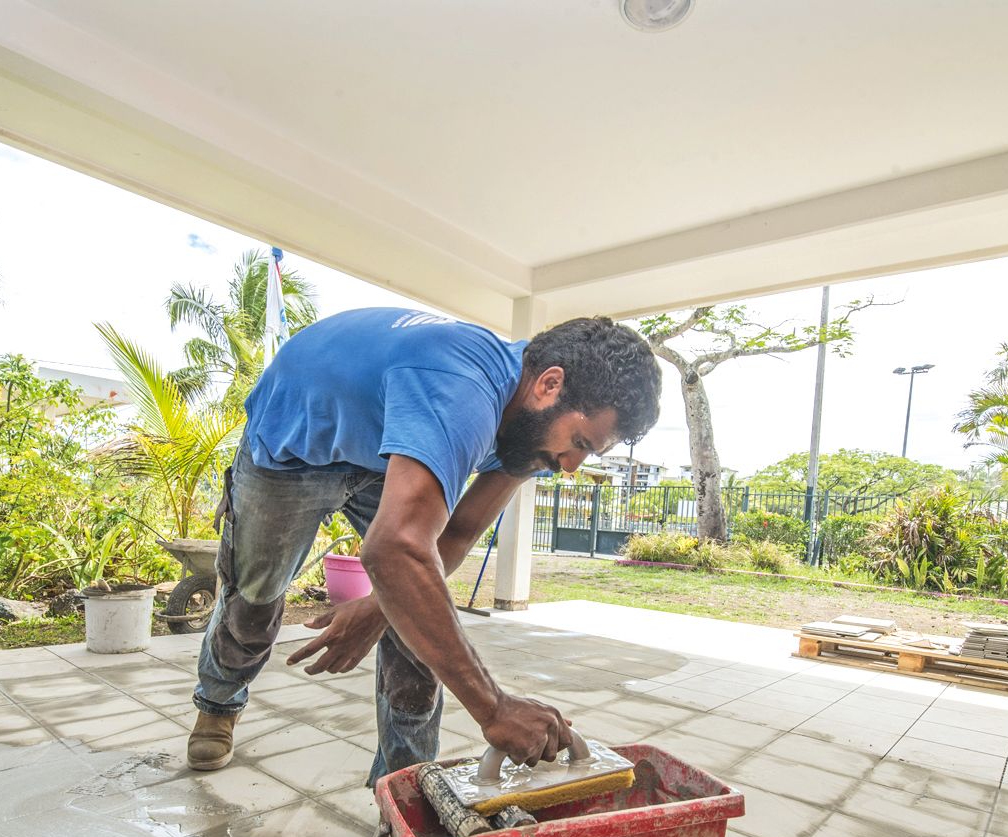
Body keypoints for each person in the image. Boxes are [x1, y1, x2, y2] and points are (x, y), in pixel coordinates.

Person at [187, 307, 661, 785]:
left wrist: (380, 607)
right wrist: (493, 707)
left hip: (379, 455)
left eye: (588, 451)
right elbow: (395, 548)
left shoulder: (531, 431)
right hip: (291, 451)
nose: (571, 466)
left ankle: (404, 788)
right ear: (549, 385)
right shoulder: (460, 388)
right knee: (253, 598)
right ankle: (218, 701)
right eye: (579, 441)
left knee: (416, 621)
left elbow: (451, 537)